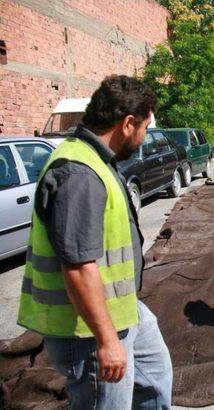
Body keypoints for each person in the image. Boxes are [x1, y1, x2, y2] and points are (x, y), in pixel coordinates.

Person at [17, 75, 173, 409]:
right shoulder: (79, 174)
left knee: (155, 377)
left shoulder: (95, 159)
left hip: (121, 309)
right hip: (87, 329)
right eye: (145, 127)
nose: (145, 137)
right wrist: (105, 341)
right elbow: (77, 266)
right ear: (128, 123)